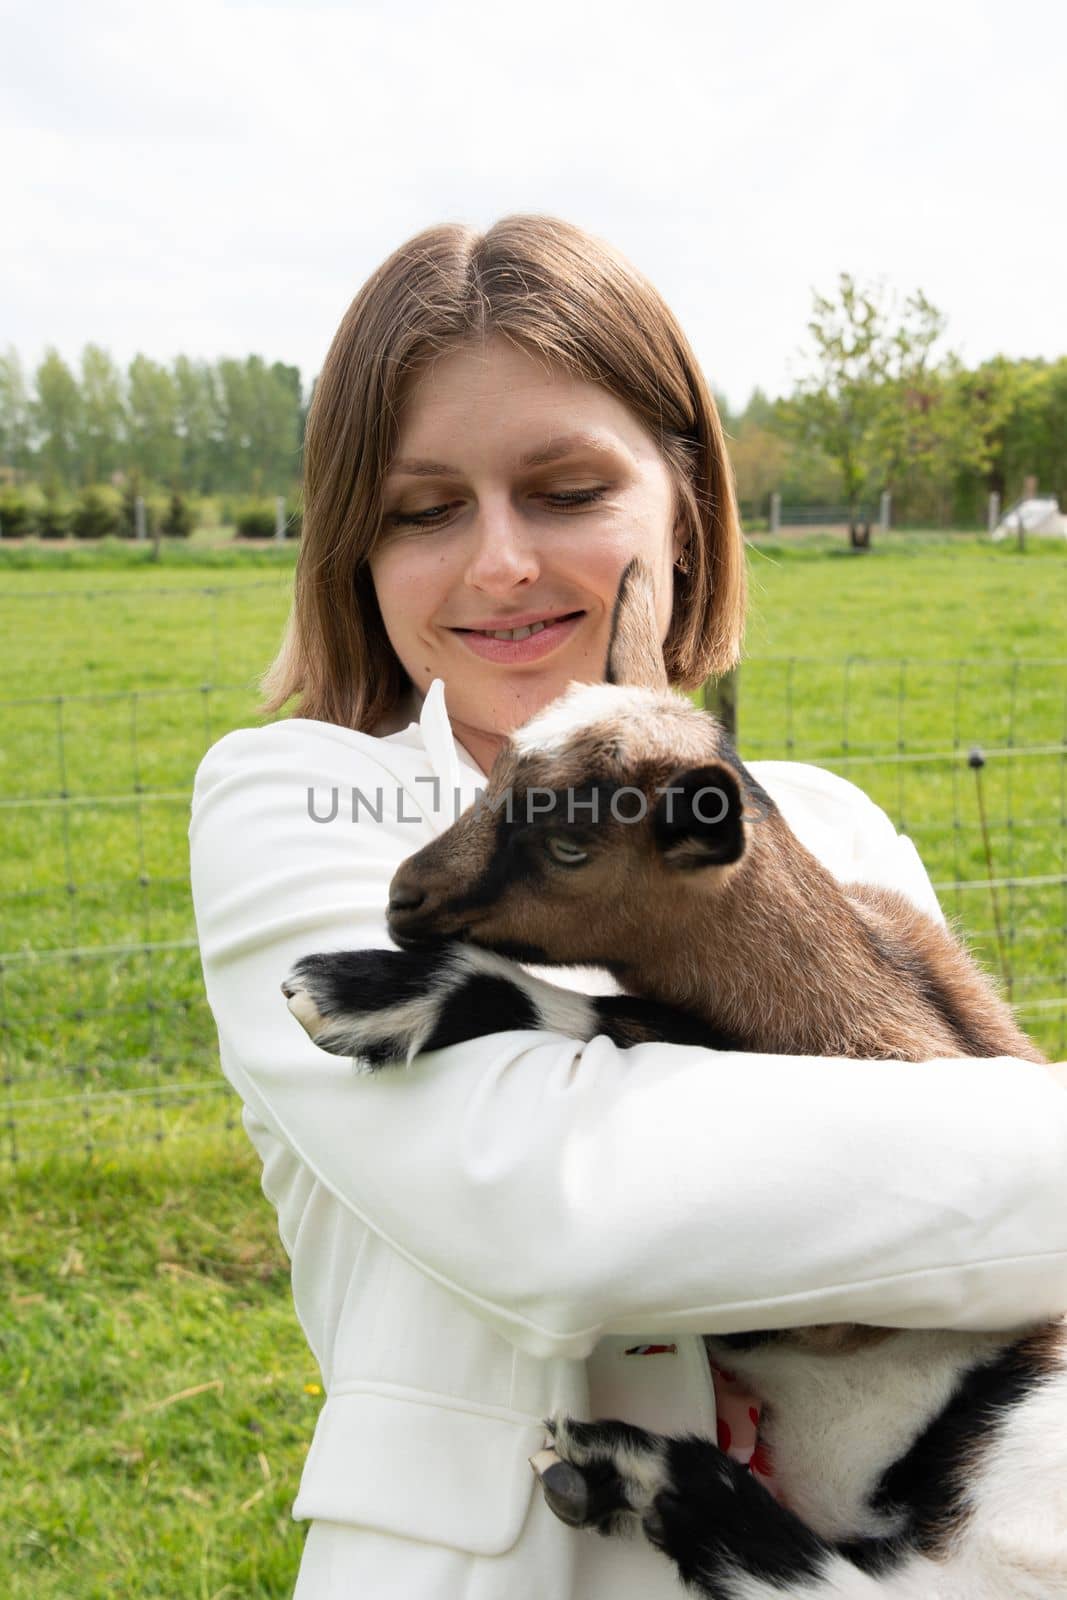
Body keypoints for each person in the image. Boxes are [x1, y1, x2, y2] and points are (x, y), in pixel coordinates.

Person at [188, 215, 1067, 1600]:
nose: (498, 565)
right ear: (353, 547)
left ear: (682, 503)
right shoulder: (300, 804)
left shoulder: (830, 827)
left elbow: (982, 1271)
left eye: (566, 488)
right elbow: (561, 1210)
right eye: (422, 510)